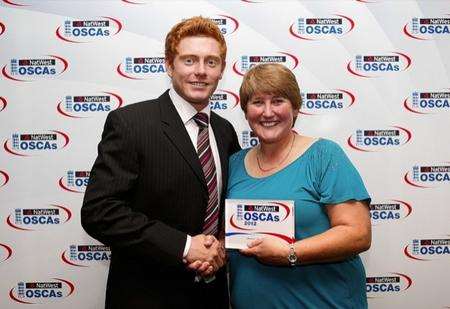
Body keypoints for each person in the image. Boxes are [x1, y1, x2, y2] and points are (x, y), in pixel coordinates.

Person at [81, 16, 240, 309]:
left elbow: (228, 206)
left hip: (212, 295)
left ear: (222, 70)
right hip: (148, 296)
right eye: (189, 60)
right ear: (169, 65)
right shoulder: (130, 123)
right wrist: (184, 246)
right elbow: (100, 212)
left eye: (211, 62)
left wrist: (219, 247)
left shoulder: (224, 131)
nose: (201, 72)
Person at [227, 63, 371, 308]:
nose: (268, 112)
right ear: (246, 111)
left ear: (295, 108)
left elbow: (358, 234)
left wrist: (289, 253)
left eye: (278, 101)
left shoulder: (324, 155)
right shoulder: (234, 163)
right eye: (258, 102)